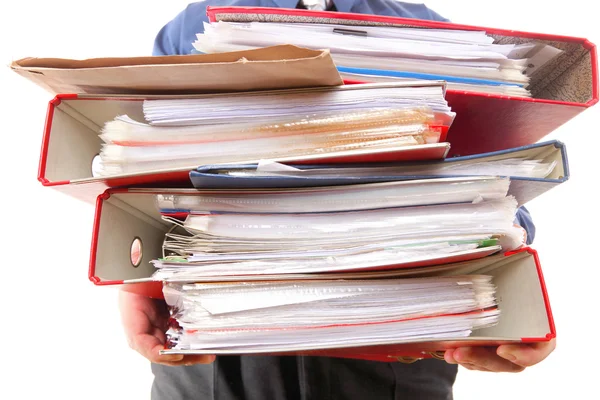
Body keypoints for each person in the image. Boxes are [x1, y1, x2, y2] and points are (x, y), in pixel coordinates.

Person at [120, 1, 556, 399]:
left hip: (389, 352)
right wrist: (132, 281)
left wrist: (516, 296)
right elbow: (146, 180)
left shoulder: (431, 37)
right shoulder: (197, 29)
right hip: (219, 350)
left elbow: (492, 192)